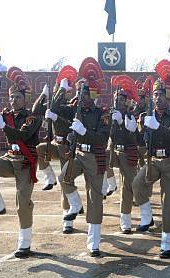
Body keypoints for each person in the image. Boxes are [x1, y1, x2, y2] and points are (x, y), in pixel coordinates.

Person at [0, 67, 41, 257]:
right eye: (11, 97)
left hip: (25, 162)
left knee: (22, 201)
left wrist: (3, 125)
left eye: (17, 98)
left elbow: (22, 135)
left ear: (25, 99)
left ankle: (24, 243)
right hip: (9, 158)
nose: (13, 101)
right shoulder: (6, 114)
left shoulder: (32, 117)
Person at [132, 59, 170, 257]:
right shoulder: (147, 114)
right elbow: (140, 137)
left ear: (167, 96)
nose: (157, 98)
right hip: (152, 160)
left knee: (168, 204)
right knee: (137, 184)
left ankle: (166, 241)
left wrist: (157, 126)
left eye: (160, 94)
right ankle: (147, 216)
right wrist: (138, 124)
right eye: (154, 94)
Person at [53, 57, 109, 257]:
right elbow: (55, 109)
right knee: (64, 177)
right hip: (78, 153)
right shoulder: (75, 107)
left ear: (92, 94)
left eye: (84, 93)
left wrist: (83, 130)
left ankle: (94, 241)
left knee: (95, 198)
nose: (80, 96)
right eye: (78, 92)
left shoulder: (102, 113)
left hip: (94, 156)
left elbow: (103, 138)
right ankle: (75, 205)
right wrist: (62, 88)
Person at [33, 65, 85, 234]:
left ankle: (68, 220)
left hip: (68, 148)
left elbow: (66, 120)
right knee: (39, 150)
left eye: (62, 91)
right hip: (56, 144)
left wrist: (59, 96)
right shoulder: (55, 103)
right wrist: (43, 95)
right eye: (58, 90)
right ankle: (49, 177)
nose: (60, 93)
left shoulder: (72, 106)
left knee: (66, 182)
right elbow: (35, 110)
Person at [108, 75, 141, 234]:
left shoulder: (131, 116)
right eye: (116, 98)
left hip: (127, 152)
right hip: (114, 150)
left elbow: (133, 138)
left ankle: (126, 221)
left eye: (121, 99)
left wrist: (122, 123)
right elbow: (106, 134)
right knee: (97, 157)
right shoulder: (110, 113)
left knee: (128, 186)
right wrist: (112, 121)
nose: (118, 102)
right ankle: (109, 182)